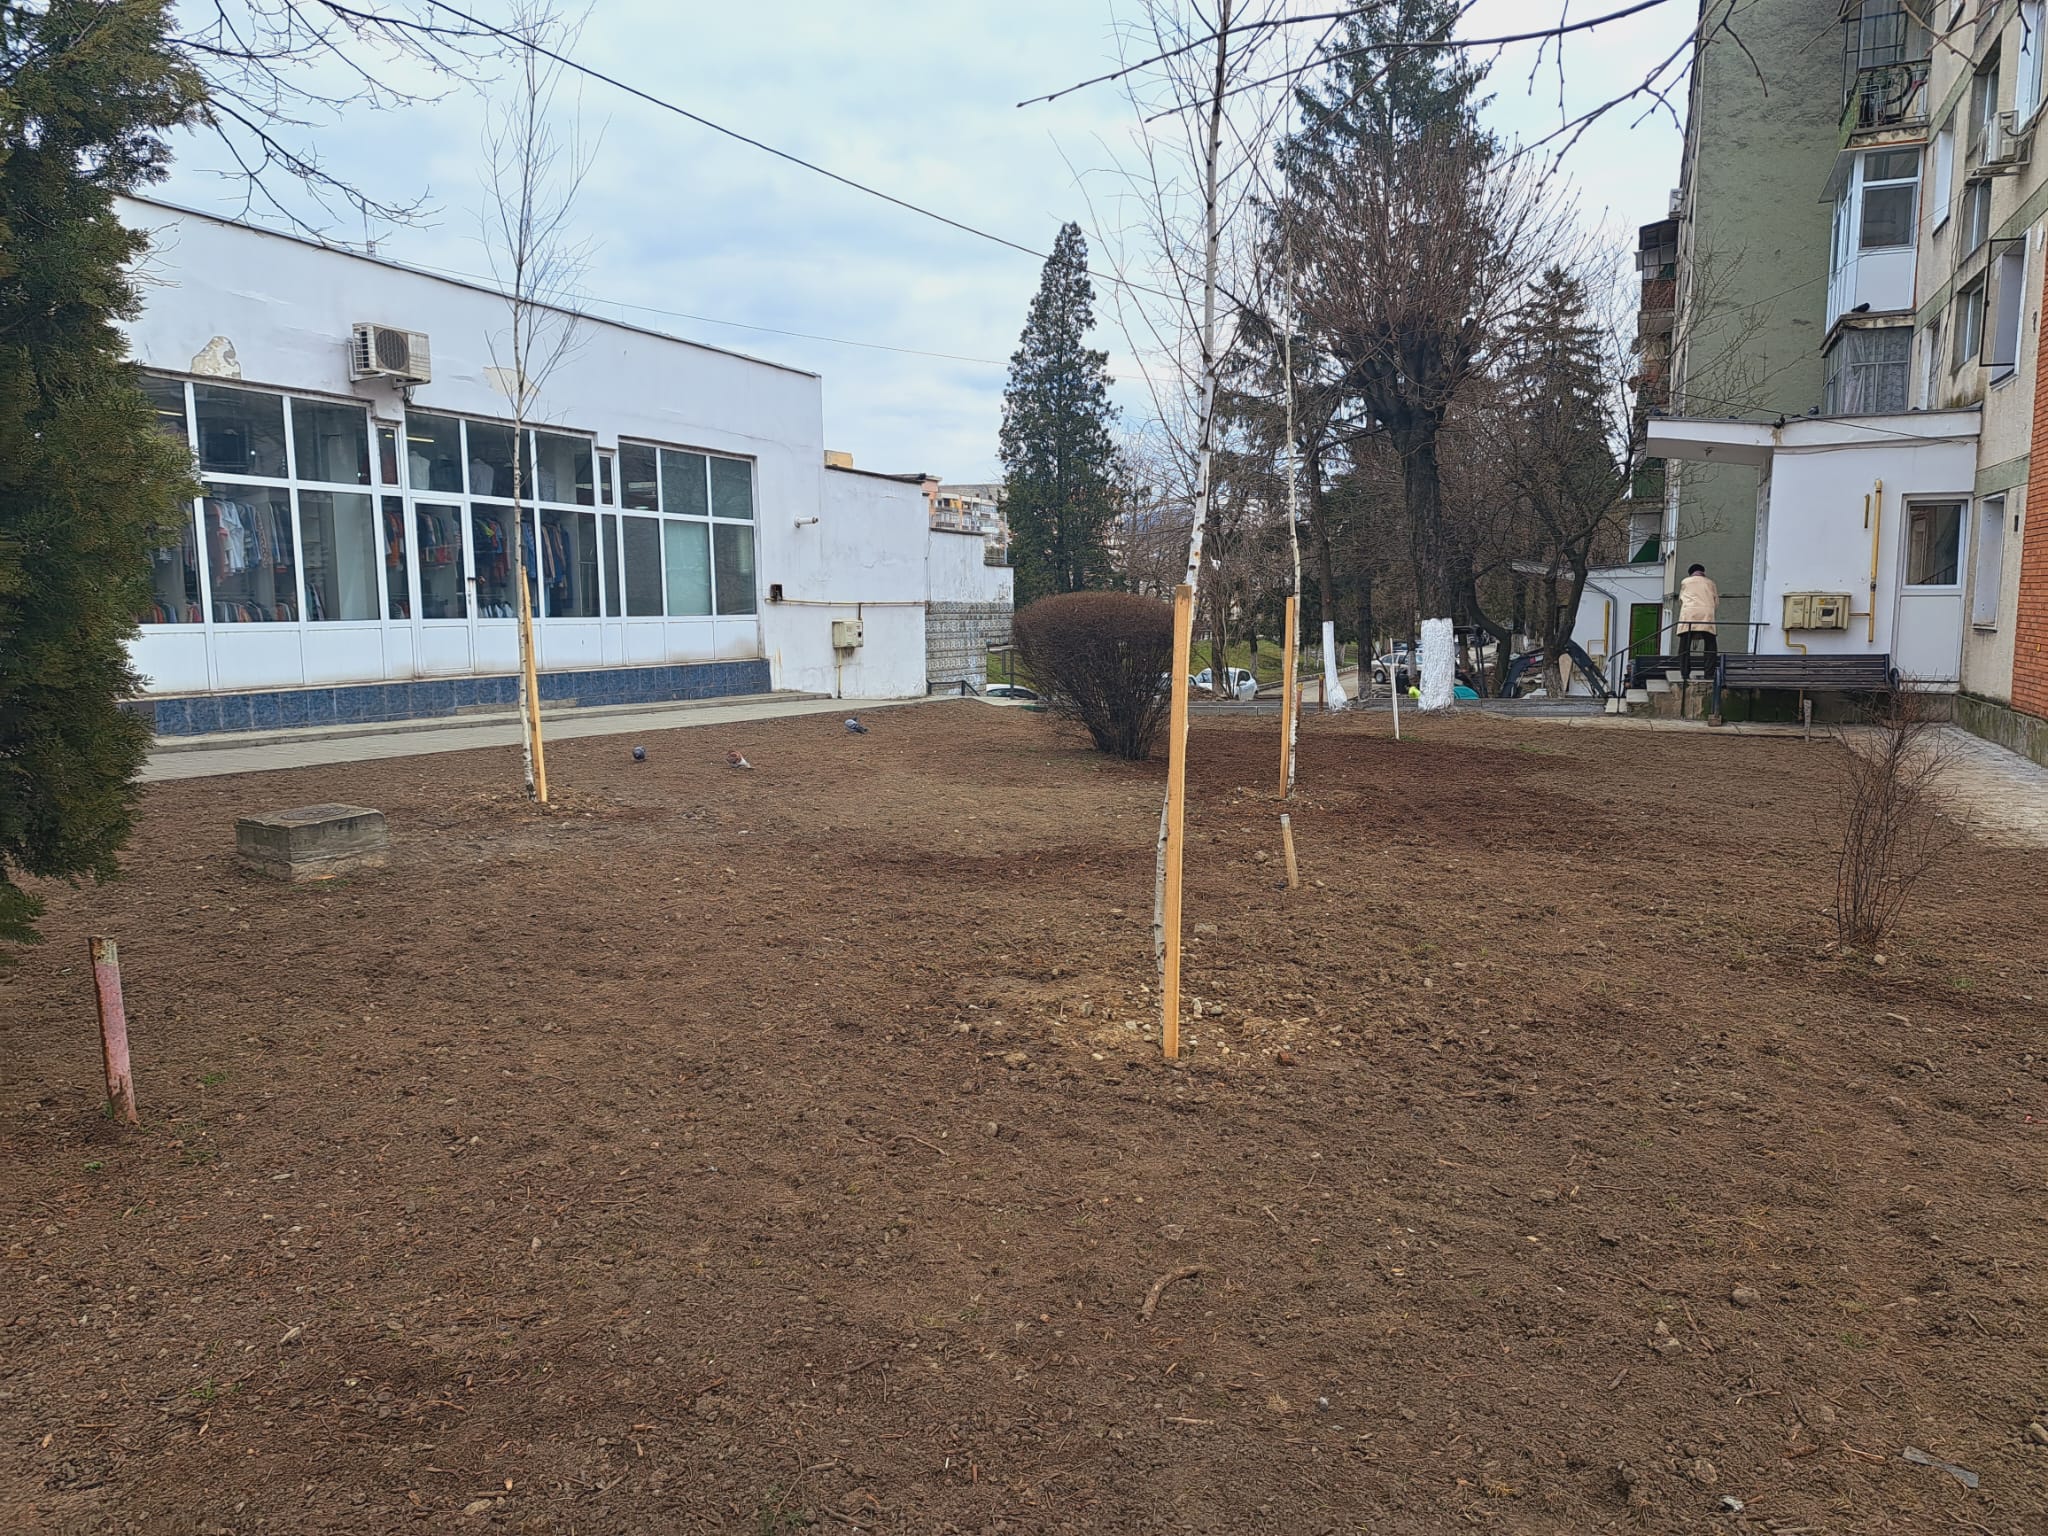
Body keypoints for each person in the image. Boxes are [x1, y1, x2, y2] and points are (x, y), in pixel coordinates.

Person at [1677, 562, 1720, 682]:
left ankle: (1685, 673)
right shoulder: (1710, 583)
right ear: (1703, 572)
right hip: (1707, 615)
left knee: (1684, 646)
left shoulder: (1685, 582)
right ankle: (1709, 673)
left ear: (1691, 573)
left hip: (1689, 615)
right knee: (1710, 646)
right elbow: (1716, 602)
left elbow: (1681, 599)